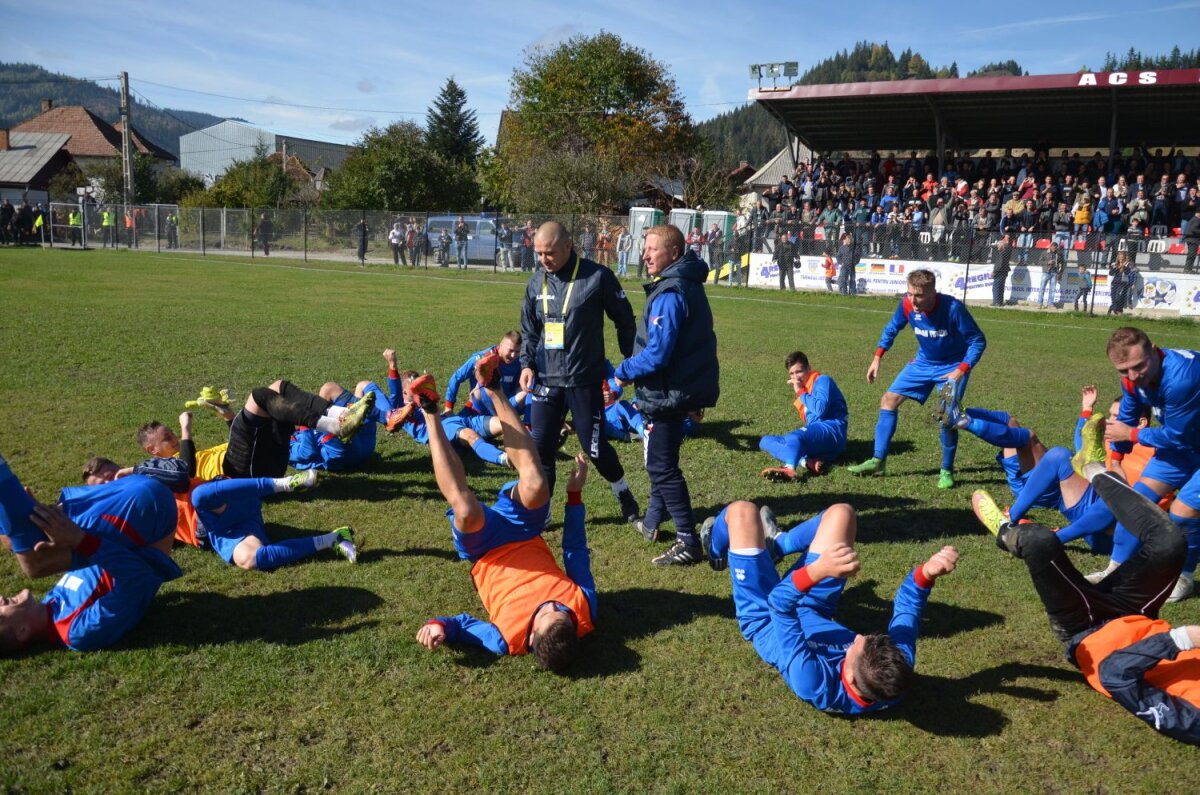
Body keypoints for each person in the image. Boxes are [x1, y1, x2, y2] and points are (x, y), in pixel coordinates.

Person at [986, 467, 1200, 745]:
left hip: (1089, 631)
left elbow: (1116, 675)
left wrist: (1182, 639)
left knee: (1039, 540)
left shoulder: (1191, 723)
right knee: (1170, 544)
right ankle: (1100, 473)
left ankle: (1006, 532)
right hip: (1139, 613)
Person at [411, 360, 595, 673]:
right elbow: (575, 551)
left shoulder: (505, 639)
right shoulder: (583, 607)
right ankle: (493, 384)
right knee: (537, 484)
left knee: (466, 509)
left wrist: (439, 625)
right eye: (558, 609)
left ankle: (429, 409)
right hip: (525, 531)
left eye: (546, 612)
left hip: (486, 552)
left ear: (533, 635)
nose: (552, 603)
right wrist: (574, 496)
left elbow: (462, 626)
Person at [697, 500, 958, 714]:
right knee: (841, 514)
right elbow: (907, 612)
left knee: (743, 512)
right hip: (814, 607)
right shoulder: (896, 671)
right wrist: (927, 573)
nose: (857, 636)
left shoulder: (813, 681)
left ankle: (715, 548)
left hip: (765, 616)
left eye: (856, 646)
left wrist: (819, 571)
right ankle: (777, 546)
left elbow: (778, 605)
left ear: (851, 679)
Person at [520, 220, 641, 524]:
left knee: (595, 447)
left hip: (583, 379)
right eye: (538, 253)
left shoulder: (597, 276)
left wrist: (633, 361)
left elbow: (625, 319)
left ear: (567, 246)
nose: (543, 259)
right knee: (541, 447)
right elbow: (530, 330)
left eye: (549, 253)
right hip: (547, 379)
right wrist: (526, 364)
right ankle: (543, 511)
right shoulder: (536, 282)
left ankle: (623, 491)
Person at [614, 224, 718, 565]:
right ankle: (654, 521)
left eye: (653, 249)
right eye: (645, 249)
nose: (645, 255)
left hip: (667, 393)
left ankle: (688, 541)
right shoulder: (683, 285)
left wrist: (623, 371)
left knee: (660, 467)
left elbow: (658, 353)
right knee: (661, 462)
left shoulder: (672, 293)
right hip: (676, 390)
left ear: (673, 253)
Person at [0, 466, 182, 652]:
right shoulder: (78, 632)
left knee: (16, 541)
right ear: (22, 632)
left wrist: (42, 521)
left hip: (124, 495)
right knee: (35, 564)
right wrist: (80, 540)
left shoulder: (52, 602)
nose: (0, 600)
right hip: (150, 514)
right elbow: (139, 577)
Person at [847, 269, 986, 489]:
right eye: (910, 293)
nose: (913, 300)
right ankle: (878, 461)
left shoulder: (953, 309)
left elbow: (978, 341)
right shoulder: (906, 305)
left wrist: (961, 370)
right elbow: (892, 328)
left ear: (933, 293)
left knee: (946, 418)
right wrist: (877, 358)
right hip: (922, 364)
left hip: (952, 367)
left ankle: (946, 470)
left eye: (919, 295)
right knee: (888, 400)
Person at [1095, 327, 1200, 601]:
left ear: (1154, 350)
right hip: (1186, 444)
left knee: (1183, 512)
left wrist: (1130, 435)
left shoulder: (1182, 379)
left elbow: (1175, 436)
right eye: (1123, 370)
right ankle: (1115, 571)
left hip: (1183, 440)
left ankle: (1184, 578)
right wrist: (1116, 458)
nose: (1132, 376)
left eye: (1138, 366)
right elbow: (1128, 413)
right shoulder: (1132, 379)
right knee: (1134, 504)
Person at [144, 380, 374, 480]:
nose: (174, 438)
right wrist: (186, 430)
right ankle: (335, 425)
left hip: (256, 459)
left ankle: (338, 415)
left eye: (172, 433)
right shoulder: (165, 471)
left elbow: (243, 441)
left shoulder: (195, 454)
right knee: (259, 395)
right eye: (166, 438)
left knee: (277, 388)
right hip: (241, 474)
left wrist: (225, 412)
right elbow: (186, 472)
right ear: (151, 450)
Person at [759, 351, 848, 482]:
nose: (796, 377)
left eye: (799, 371)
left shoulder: (822, 380)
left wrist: (800, 391)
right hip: (818, 441)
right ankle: (806, 462)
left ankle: (789, 468)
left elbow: (820, 410)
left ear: (809, 368)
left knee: (795, 437)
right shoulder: (805, 389)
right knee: (765, 441)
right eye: (791, 373)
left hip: (832, 432)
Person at [443, 332, 523, 415]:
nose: (513, 355)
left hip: (502, 410)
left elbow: (515, 388)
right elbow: (457, 377)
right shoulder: (482, 359)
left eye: (517, 351)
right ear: (501, 345)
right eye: (510, 350)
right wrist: (448, 407)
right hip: (477, 410)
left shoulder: (518, 363)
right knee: (450, 425)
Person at [991, 235, 1012, 306]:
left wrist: (994, 271)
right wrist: (1000, 243)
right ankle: (999, 302)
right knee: (1001, 287)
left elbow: (999, 264)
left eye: (998, 246)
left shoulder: (1001, 253)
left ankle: (996, 302)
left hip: (999, 272)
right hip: (1005, 271)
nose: (997, 247)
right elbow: (993, 247)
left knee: (996, 287)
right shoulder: (1007, 251)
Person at [836, 232, 856, 296]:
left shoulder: (854, 248)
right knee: (843, 279)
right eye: (847, 239)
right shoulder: (842, 248)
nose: (849, 241)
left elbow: (857, 256)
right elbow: (838, 256)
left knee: (852, 279)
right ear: (845, 240)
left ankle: (852, 292)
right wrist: (840, 263)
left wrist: (854, 263)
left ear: (852, 240)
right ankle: (844, 292)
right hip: (844, 266)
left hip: (851, 266)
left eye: (850, 240)